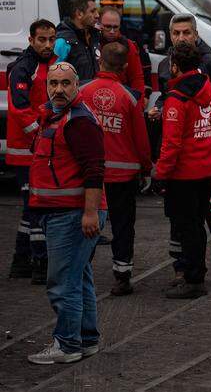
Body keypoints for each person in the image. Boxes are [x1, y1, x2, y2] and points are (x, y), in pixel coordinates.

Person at [27, 62, 108, 365]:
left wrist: (89, 214)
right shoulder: (56, 117)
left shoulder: (78, 121)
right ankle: (85, 340)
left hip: (72, 216)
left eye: (65, 83)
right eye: (53, 83)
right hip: (64, 214)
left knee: (63, 283)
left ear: (77, 86)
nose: (58, 89)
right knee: (79, 278)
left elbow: (94, 170)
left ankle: (67, 344)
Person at [80, 42, 152, 296]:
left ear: (100, 63)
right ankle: (122, 276)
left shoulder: (82, 92)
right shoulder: (130, 97)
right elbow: (141, 140)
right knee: (123, 226)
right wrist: (146, 167)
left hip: (89, 175)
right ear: (123, 67)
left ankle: (81, 270)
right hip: (123, 175)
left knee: (88, 223)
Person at [154, 43, 211, 299]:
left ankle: (193, 279)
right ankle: (198, 273)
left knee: (188, 227)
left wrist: (160, 174)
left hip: (183, 175)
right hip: (207, 170)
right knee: (200, 225)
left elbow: (171, 144)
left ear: (174, 66)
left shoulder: (176, 99)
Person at [6, 19, 56, 283]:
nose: (47, 44)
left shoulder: (52, 64)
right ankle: (39, 263)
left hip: (40, 148)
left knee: (31, 207)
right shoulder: (22, 69)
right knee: (36, 206)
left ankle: (21, 261)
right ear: (31, 40)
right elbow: (20, 110)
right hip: (26, 150)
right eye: (42, 40)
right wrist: (42, 134)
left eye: (51, 39)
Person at [154, 13, 211, 126]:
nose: (181, 38)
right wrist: (159, 108)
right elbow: (165, 95)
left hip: (208, 137)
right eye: (176, 33)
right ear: (170, 35)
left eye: (186, 33)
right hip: (176, 134)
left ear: (195, 35)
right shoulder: (165, 65)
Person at [98, 0, 152, 96]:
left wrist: (144, 95)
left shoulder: (132, 37)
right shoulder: (92, 39)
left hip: (123, 94)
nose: (115, 9)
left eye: (118, 6)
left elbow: (140, 71)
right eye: (110, 6)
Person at [54, 0, 101, 81]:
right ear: (79, 14)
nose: (97, 15)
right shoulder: (63, 41)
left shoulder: (95, 35)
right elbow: (52, 75)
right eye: (92, 11)